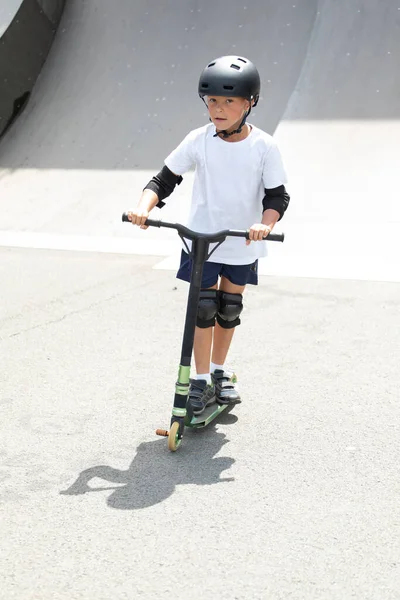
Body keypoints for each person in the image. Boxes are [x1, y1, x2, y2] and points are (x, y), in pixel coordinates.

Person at [128, 55, 290, 415]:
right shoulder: (198, 140)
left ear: (250, 103)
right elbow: (164, 179)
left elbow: (277, 195)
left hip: (241, 241)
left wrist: (266, 223)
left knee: (228, 310)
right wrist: (144, 206)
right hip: (201, 240)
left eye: (229, 101)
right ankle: (199, 380)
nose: (218, 108)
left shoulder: (264, 146)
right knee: (203, 310)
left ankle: (219, 372)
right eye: (212, 100)